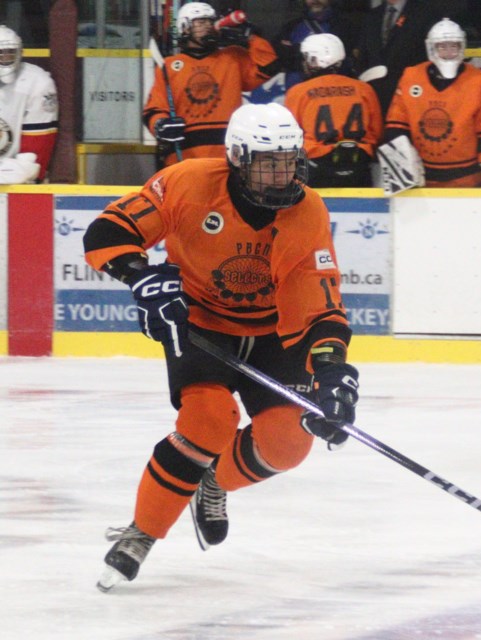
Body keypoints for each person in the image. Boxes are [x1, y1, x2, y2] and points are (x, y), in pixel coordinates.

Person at [86, 103, 358, 591]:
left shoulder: (308, 209)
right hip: (201, 325)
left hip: (274, 333)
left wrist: (333, 374)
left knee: (290, 443)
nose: (281, 174)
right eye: (267, 162)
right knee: (207, 422)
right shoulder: (188, 182)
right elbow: (107, 231)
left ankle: (210, 482)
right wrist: (141, 276)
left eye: (289, 160)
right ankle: (142, 533)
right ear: (236, 157)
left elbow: (320, 306)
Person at [143, 2, 280, 167]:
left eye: (209, 21)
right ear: (184, 28)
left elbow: (269, 67)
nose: (208, 26)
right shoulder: (170, 66)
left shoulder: (233, 56)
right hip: (185, 157)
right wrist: (160, 125)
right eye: (200, 22)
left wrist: (251, 38)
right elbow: (154, 109)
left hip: (229, 154)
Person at [383, 18, 481, 188]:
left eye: (453, 46)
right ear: (432, 48)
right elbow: (396, 124)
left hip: (468, 180)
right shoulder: (411, 77)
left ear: (461, 47)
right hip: (422, 180)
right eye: (442, 47)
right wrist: (402, 166)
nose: (448, 52)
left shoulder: (479, 81)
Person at [285, 33, 382, 187]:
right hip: (358, 167)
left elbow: (288, 137)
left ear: (314, 59)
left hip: (315, 167)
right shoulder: (364, 89)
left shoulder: (298, 92)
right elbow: (375, 133)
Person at [355, 0, 463, 114]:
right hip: (375, 99)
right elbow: (363, 56)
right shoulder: (372, 16)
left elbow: (431, 56)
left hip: (412, 95)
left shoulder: (425, 13)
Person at [0, 24, 57, 184]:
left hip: (18, 184)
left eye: (9, 54)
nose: (4, 59)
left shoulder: (38, 83)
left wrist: (21, 170)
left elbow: (31, 163)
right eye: (0, 54)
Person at [272, 0, 358, 86]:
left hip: (337, 90)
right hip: (299, 91)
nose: (315, 0)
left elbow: (351, 59)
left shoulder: (346, 26)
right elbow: (281, 57)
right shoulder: (291, 27)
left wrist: (298, 50)